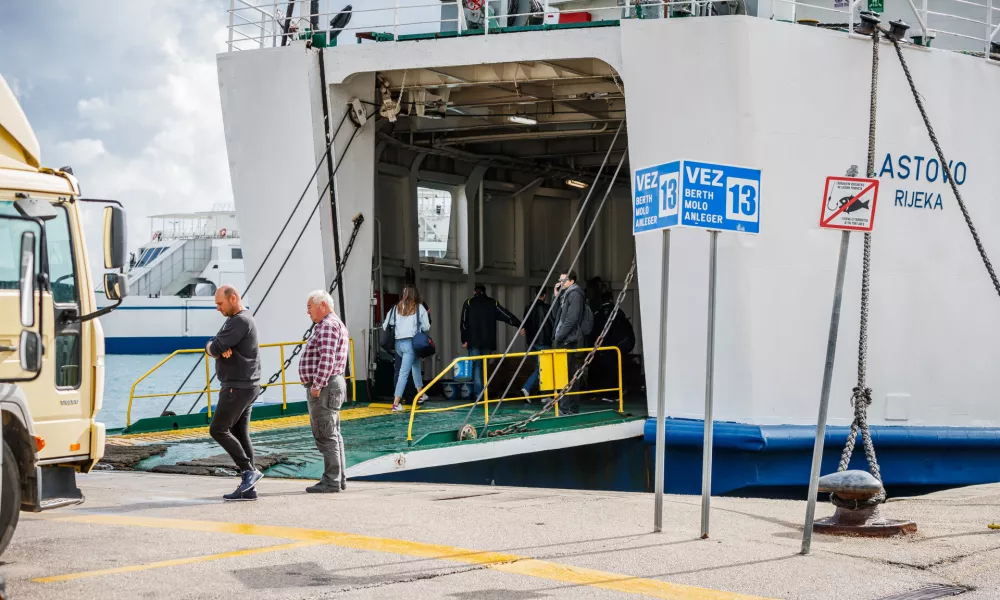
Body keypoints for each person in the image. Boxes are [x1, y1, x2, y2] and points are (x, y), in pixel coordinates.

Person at [206, 285, 263, 501]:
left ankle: (249, 472)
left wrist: (214, 347)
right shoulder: (239, 319)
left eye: (220, 304)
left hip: (237, 386)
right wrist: (214, 346)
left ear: (233, 298)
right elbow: (215, 344)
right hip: (246, 385)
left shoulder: (239, 320)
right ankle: (249, 488)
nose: (218, 308)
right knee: (239, 433)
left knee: (218, 429)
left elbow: (215, 346)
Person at [298, 290, 350, 493]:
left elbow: (326, 359)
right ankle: (339, 478)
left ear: (322, 306)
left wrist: (317, 386)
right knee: (333, 434)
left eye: (310, 307)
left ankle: (331, 480)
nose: (307, 312)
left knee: (325, 434)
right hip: (332, 384)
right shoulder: (334, 324)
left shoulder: (327, 326)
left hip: (325, 386)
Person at [460, 284, 521, 400]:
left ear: (474, 292)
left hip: (473, 341)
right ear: (485, 292)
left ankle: (479, 395)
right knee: (484, 367)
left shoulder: (469, 302)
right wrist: (518, 324)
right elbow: (505, 315)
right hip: (488, 341)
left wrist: (464, 339)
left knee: (477, 366)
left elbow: (463, 322)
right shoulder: (492, 303)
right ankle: (484, 393)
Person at [384, 285, 431, 412]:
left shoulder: (395, 308)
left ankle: (420, 395)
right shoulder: (419, 307)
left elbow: (385, 325)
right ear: (416, 295)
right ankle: (396, 403)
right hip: (411, 344)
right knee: (404, 374)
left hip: (398, 344)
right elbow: (426, 327)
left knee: (415, 367)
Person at [552, 271, 590, 414]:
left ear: (572, 281)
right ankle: (569, 408)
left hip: (570, 341)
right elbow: (555, 315)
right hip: (566, 339)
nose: (561, 283)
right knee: (566, 375)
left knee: (568, 375)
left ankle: (568, 408)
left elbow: (571, 319)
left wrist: (559, 337)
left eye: (564, 280)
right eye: (560, 280)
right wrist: (556, 295)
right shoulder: (565, 295)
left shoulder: (574, 294)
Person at [519, 288, 554, 401]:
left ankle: (544, 394)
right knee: (542, 369)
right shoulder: (548, 308)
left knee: (539, 368)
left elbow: (525, 325)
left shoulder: (528, 308)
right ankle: (527, 388)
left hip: (532, 343)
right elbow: (553, 324)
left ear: (535, 294)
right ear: (544, 295)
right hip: (543, 342)